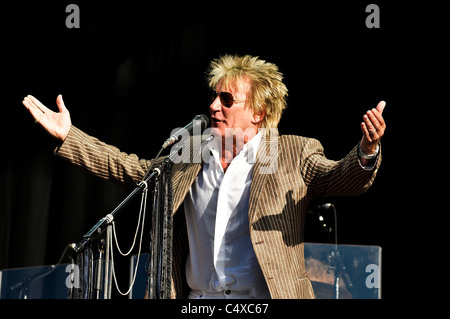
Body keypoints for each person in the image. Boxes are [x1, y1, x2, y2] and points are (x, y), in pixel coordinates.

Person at [22, 54, 386, 299]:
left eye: (227, 99)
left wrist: (367, 150)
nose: (214, 106)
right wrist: (71, 137)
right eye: (214, 97)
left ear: (258, 112)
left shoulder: (290, 152)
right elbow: (133, 170)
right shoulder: (190, 151)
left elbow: (343, 177)